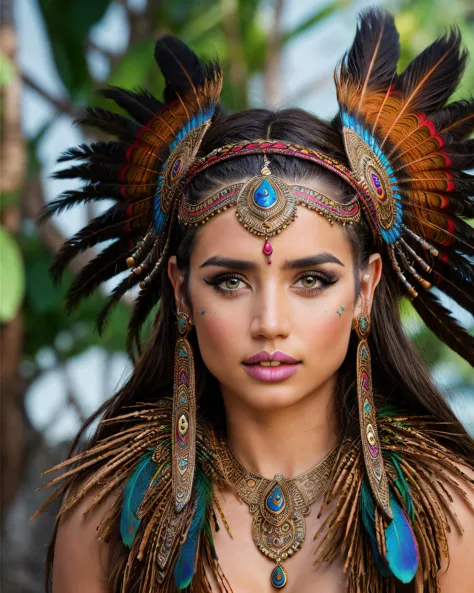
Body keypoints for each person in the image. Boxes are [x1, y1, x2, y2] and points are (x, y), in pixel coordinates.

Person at [33, 7, 474, 593]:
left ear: (366, 289)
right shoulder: (103, 516)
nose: (270, 324)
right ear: (180, 291)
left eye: (312, 280)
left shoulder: (450, 512)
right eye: (229, 282)